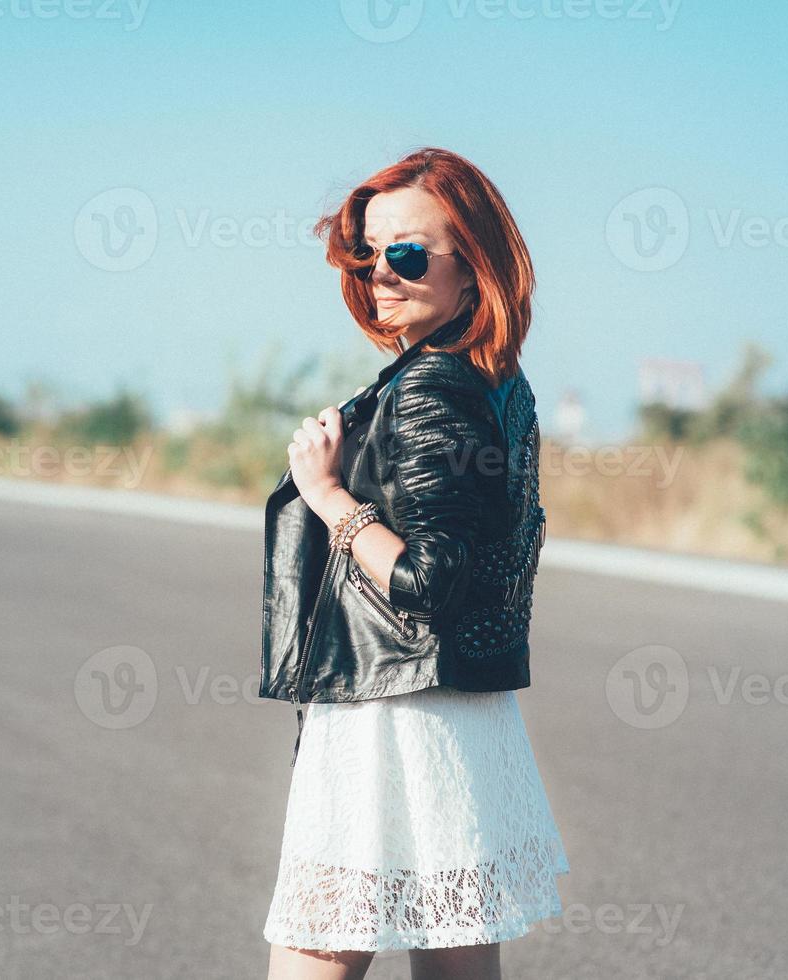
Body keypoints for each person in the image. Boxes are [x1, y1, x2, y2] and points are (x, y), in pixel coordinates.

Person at [259, 147, 569, 980]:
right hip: (455, 711)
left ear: (475, 268)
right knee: (456, 956)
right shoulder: (497, 380)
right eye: (368, 253)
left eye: (405, 253)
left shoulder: (432, 386)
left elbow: (428, 579)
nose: (380, 274)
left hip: (387, 708)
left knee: (318, 945)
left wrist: (327, 495)